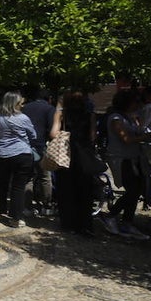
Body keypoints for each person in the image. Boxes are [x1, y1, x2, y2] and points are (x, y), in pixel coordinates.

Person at [100, 89, 150, 239]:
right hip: (121, 158)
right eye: (135, 102)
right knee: (133, 190)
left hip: (132, 157)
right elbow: (126, 139)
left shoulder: (128, 117)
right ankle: (112, 214)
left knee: (138, 188)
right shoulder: (116, 118)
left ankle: (127, 221)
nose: (138, 105)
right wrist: (149, 135)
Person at [51, 92, 101, 235]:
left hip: (66, 155)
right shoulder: (90, 115)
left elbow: (53, 134)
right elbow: (92, 137)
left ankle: (68, 223)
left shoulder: (61, 114)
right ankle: (84, 224)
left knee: (66, 189)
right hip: (84, 155)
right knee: (85, 190)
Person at [0, 91, 36, 227]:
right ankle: (15, 218)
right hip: (21, 153)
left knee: (1, 183)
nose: (23, 104)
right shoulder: (23, 118)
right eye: (21, 102)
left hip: (2, 154)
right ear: (15, 103)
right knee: (18, 187)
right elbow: (33, 135)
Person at [21, 89, 56, 214]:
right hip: (40, 146)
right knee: (45, 177)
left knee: (28, 177)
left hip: (25, 145)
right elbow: (52, 129)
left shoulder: (25, 107)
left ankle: (27, 206)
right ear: (49, 98)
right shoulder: (49, 108)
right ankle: (47, 205)